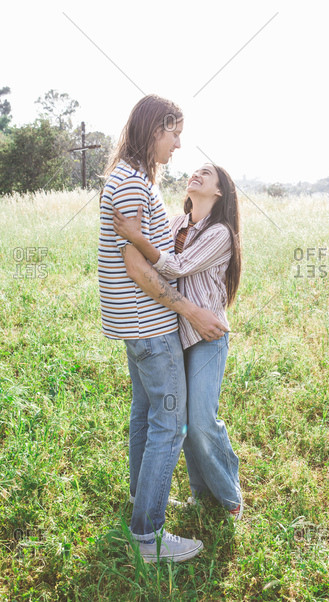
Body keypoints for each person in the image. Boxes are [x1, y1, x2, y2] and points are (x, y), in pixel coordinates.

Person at [98, 95, 228, 563]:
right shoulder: (132, 184)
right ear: (154, 130)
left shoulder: (129, 180)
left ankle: (141, 501)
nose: (177, 144)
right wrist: (191, 312)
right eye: (173, 133)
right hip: (150, 326)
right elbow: (135, 264)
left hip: (136, 325)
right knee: (169, 426)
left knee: (145, 415)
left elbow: (146, 251)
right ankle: (148, 537)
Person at [112, 162, 243, 520]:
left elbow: (177, 266)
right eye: (195, 172)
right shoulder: (176, 224)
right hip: (175, 332)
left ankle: (229, 495)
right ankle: (203, 496)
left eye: (207, 174)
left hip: (206, 338)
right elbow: (158, 266)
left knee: (201, 420)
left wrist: (136, 237)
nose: (196, 175)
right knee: (181, 423)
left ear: (219, 192)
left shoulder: (220, 233)